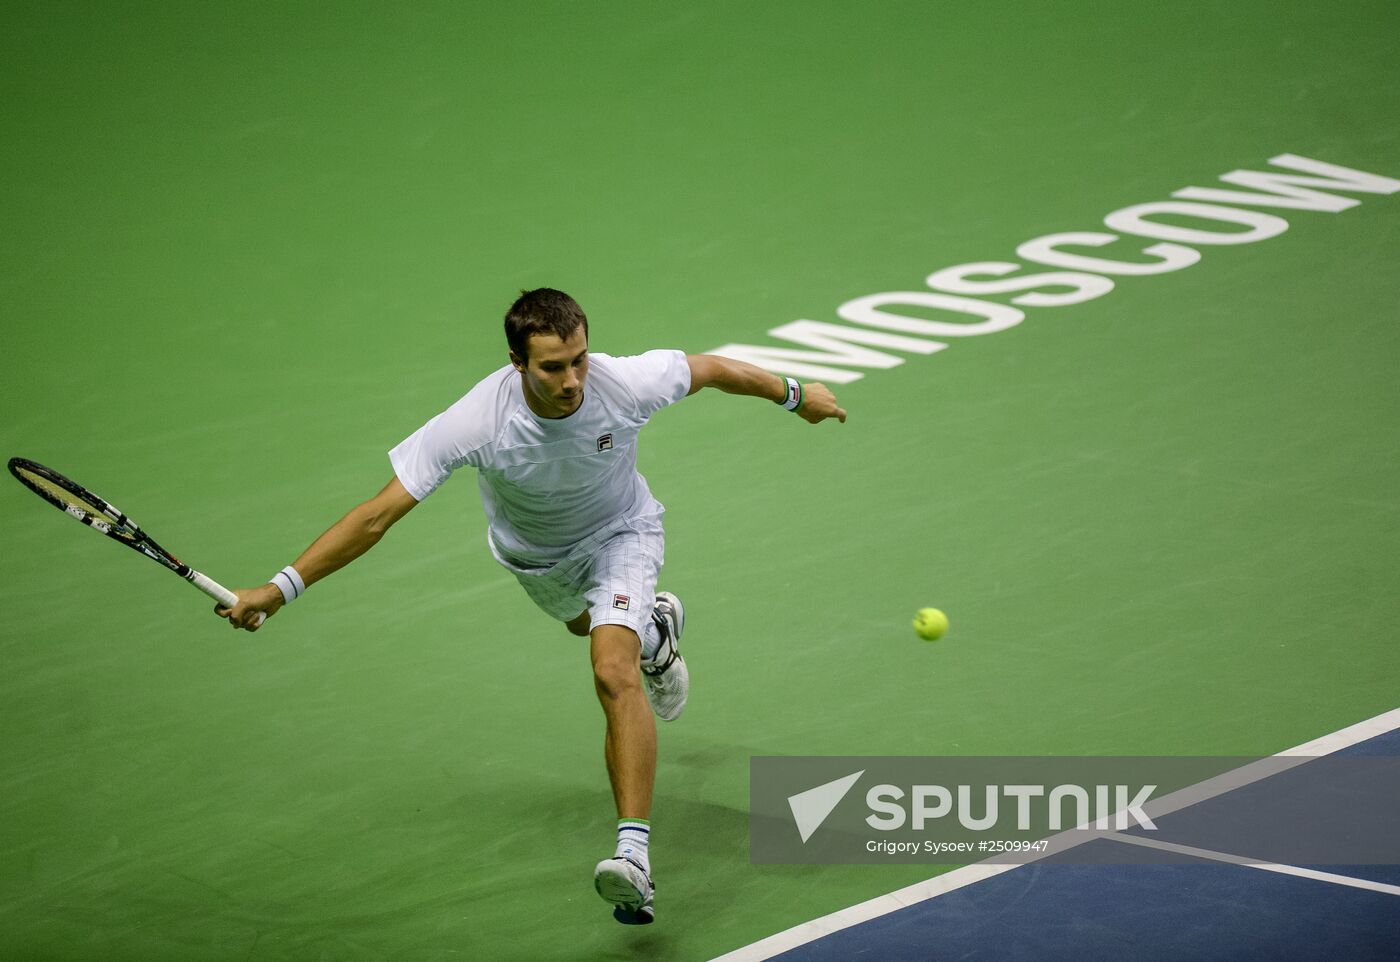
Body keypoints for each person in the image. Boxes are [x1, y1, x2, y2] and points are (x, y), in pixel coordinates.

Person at [216, 288, 847, 924]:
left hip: (622, 534)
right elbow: (378, 515)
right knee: (588, 629)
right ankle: (656, 633)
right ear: (517, 362)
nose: (572, 380)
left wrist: (795, 395)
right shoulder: (476, 421)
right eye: (552, 367)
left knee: (610, 669)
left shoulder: (619, 383)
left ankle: (633, 859)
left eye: (579, 359)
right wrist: (278, 589)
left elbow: (709, 369)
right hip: (536, 562)